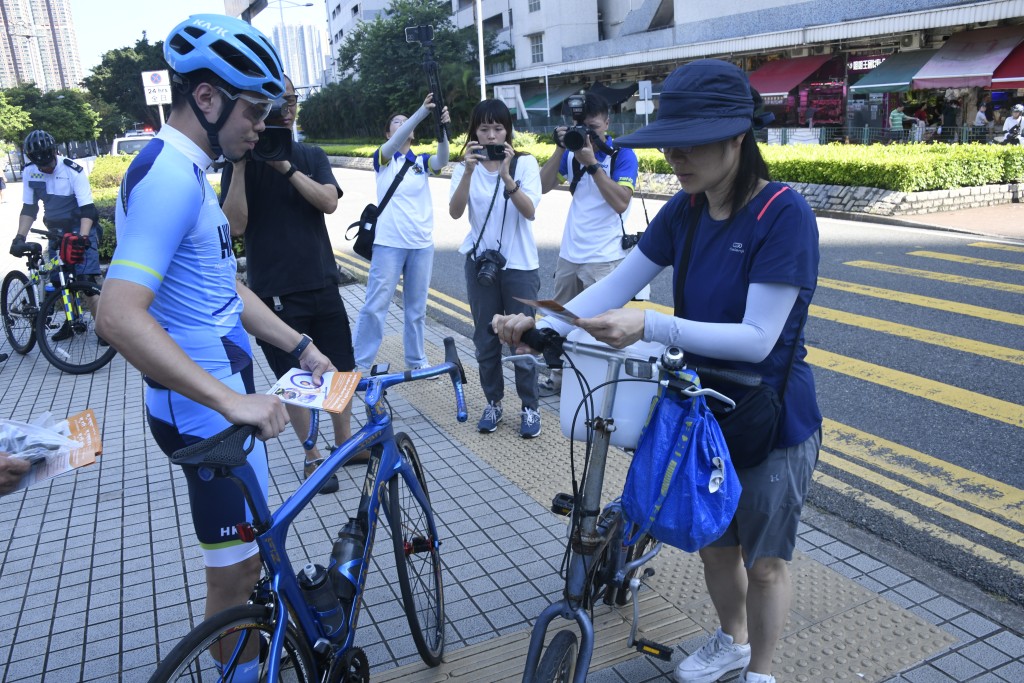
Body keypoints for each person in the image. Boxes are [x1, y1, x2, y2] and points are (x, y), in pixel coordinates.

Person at [493, 59, 821, 683]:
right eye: (670, 140)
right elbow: (616, 284)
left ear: (737, 137)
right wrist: (545, 327)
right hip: (702, 410)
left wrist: (651, 323)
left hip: (772, 416)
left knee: (768, 559)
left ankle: (762, 672)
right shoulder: (686, 209)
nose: (675, 155)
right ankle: (732, 640)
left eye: (691, 141)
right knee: (715, 543)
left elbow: (757, 340)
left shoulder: (785, 214)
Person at [95, 15, 336, 676]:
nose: (261, 126)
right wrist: (236, 402)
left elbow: (220, 291)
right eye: (253, 110)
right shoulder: (173, 178)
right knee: (232, 582)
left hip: (216, 407)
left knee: (250, 560)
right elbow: (116, 316)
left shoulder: (186, 169)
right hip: (208, 419)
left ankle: (253, 659)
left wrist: (300, 343)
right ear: (207, 98)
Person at [221, 74, 359, 491]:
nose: (285, 108)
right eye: (275, 102)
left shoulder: (310, 154)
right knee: (296, 380)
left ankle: (345, 444)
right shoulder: (241, 163)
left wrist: (285, 166)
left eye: (290, 100)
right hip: (274, 291)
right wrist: (243, 167)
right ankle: (313, 455)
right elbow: (234, 225)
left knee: (341, 369)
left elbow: (329, 202)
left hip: (321, 280)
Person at [449, 99, 543, 438]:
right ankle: (494, 403)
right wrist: (470, 172)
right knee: (486, 338)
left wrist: (506, 175)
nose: (491, 136)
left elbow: (530, 211)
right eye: (484, 128)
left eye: (498, 128)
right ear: (474, 131)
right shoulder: (465, 168)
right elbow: (455, 213)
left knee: (522, 340)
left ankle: (530, 408)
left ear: (508, 131)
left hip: (519, 266)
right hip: (480, 266)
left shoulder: (525, 164)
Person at [537, 91, 638, 396]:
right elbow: (541, 187)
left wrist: (593, 164)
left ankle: (602, 386)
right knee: (560, 321)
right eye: (582, 127)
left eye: (594, 128)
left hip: (605, 256)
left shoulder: (622, 154)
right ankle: (559, 378)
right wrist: (560, 149)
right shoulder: (571, 152)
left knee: (603, 325)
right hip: (571, 253)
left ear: (607, 122)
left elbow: (621, 203)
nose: (588, 134)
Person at [351, 93, 450, 376]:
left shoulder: (421, 162)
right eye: (397, 122)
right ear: (388, 132)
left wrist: (442, 129)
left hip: (421, 245)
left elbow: (442, 158)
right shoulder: (383, 159)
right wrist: (421, 111)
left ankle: (416, 360)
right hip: (389, 245)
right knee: (375, 306)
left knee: (416, 310)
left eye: (406, 122)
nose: (402, 125)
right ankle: (359, 363)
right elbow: (395, 143)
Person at [10, 129, 101, 324]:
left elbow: (88, 210)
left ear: (54, 153)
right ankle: (72, 322)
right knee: (59, 280)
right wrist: (19, 237)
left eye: (48, 163)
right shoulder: (30, 171)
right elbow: (29, 208)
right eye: (40, 164)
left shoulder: (72, 170)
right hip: (55, 232)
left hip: (80, 229)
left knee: (86, 281)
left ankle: (103, 329)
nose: (45, 168)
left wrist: (83, 239)